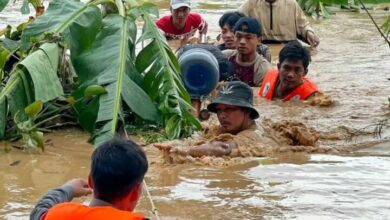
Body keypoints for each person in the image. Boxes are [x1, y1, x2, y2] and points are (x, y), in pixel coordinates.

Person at [30, 139, 149, 220]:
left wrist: (68, 189)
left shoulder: (58, 215)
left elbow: (38, 212)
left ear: (90, 181)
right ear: (136, 191)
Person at [155, 81, 271, 158]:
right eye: (219, 110)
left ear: (247, 111)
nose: (222, 115)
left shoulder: (253, 135)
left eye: (229, 109)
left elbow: (223, 148)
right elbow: (199, 139)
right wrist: (174, 144)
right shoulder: (220, 129)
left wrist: (187, 150)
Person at [239, 0, 320, 47]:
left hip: (288, 45)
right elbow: (235, 20)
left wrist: (309, 33)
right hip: (261, 46)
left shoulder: (291, 3)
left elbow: (303, 25)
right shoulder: (251, 4)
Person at [222, 17, 271, 87]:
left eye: (248, 38)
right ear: (234, 36)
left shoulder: (263, 68)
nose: (242, 42)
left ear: (259, 40)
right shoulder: (225, 57)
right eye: (238, 36)